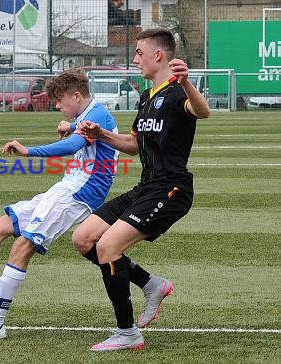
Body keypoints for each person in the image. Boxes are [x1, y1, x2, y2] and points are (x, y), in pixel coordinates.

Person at [0, 69, 164, 341]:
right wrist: (68, 125)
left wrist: (29, 151)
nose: (57, 106)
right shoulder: (87, 116)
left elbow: (73, 146)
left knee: (22, 245)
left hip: (77, 195)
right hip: (65, 189)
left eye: (59, 100)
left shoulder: (98, 113)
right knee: (1, 225)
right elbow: (82, 131)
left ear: (77, 96)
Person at [72, 28, 211, 352]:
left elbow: (203, 112)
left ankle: (127, 332)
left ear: (158, 55)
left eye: (138, 53)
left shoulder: (178, 92)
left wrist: (187, 82)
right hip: (146, 186)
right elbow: (134, 145)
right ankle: (151, 284)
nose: (135, 59)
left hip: (171, 188)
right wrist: (101, 133)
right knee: (83, 238)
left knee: (107, 248)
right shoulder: (147, 97)